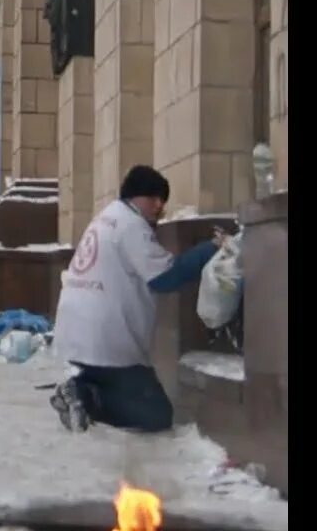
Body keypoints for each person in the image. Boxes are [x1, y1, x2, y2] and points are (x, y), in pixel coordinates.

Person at [50, 165, 220, 434]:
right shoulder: (131, 225)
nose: (159, 206)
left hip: (79, 332)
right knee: (156, 415)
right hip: (107, 340)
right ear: (134, 197)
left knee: (115, 384)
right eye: (153, 198)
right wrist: (209, 250)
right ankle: (86, 397)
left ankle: (80, 388)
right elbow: (166, 277)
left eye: (162, 200)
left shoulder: (106, 218)